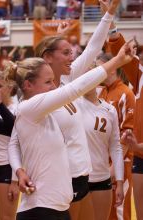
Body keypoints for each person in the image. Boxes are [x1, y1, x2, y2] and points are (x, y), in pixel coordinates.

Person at [7, 39, 135, 220]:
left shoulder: (46, 111)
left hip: (61, 202)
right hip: (41, 207)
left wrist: (19, 170)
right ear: (28, 85)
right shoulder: (29, 108)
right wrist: (117, 61)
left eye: (53, 81)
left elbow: (14, 144)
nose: (54, 86)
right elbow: (75, 88)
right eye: (48, 82)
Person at [35, 1, 121, 219]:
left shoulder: (67, 80)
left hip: (81, 176)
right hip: (58, 179)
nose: (72, 57)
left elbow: (93, 49)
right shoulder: (36, 94)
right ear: (47, 57)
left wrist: (109, 15)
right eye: (66, 52)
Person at [104, 19, 143, 220]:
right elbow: (123, 50)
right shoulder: (139, 77)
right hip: (138, 156)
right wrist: (110, 22)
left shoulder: (125, 92)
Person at [77, 87, 124, 220]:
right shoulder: (73, 103)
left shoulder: (110, 110)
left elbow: (116, 146)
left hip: (102, 178)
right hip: (78, 178)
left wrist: (120, 182)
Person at [0, 73, 19, 220]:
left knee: (6, 217)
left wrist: (15, 181)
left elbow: (12, 128)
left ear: (10, 88)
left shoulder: (18, 108)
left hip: (5, 169)